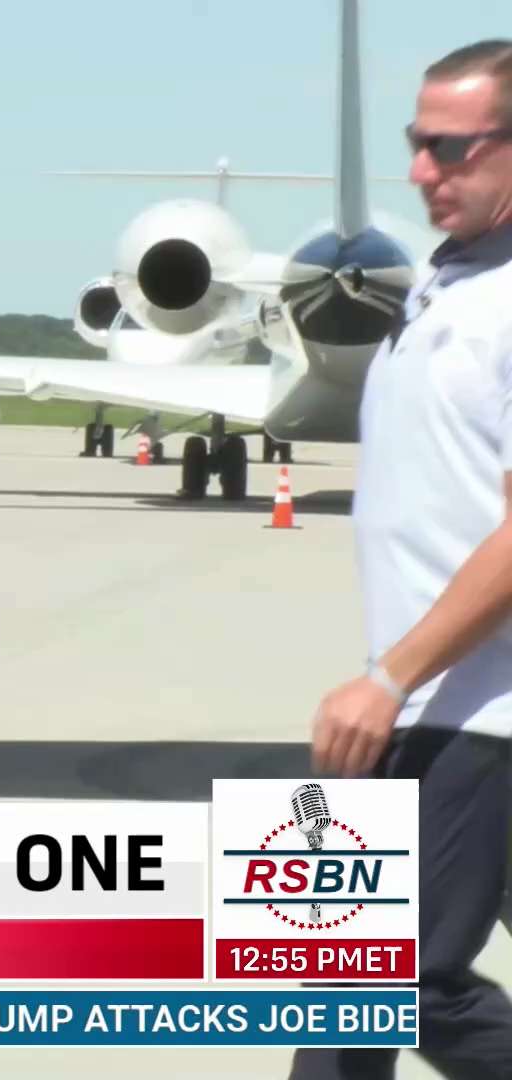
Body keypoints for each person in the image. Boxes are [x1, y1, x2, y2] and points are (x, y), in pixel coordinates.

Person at [301, 39, 512, 1079]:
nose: (423, 171)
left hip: (477, 711)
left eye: (452, 149)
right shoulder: (446, 281)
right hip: (428, 699)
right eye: (416, 146)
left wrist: (388, 678)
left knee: (401, 980)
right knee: (336, 975)